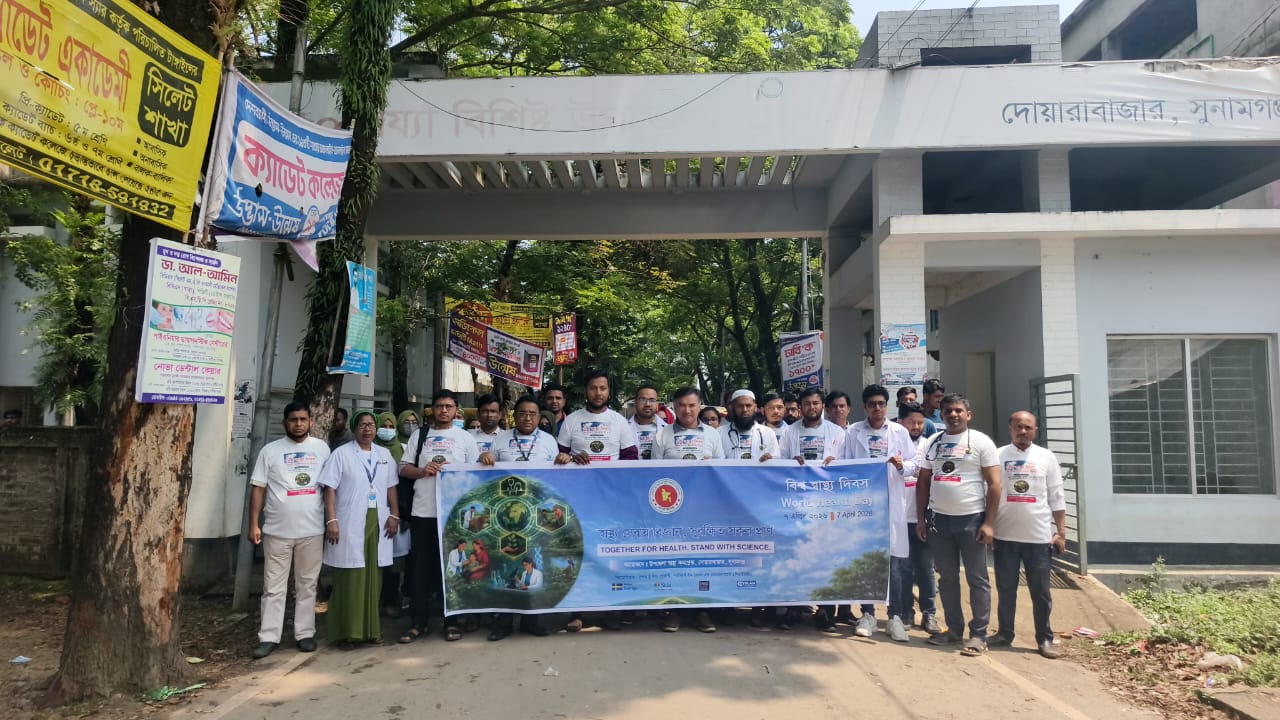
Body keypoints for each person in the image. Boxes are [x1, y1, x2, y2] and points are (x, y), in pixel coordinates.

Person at [916, 393, 1001, 656]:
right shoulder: (933, 442)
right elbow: (923, 482)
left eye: (958, 410)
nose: (953, 415)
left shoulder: (981, 442)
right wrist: (921, 519)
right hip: (939, 521)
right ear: (941, 415)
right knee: (948, 579)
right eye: (948, 411)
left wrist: (989, 523)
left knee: (977, 579)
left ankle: (978, 635)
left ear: (968, 414)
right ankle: (953, 631)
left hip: (971, 520)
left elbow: (995, 484)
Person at [247, 403, 332, 659]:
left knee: (307, 585)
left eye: (303, 419)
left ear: (311, 421)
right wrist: (253, 524)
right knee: (273, 587)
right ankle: (268, 637)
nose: (298, 424)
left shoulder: (322, 449)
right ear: (284, 423)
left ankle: (305, 634)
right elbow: (258, 488)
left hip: (312, 530)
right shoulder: (270, 451)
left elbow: (330, 487)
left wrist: (331, 520)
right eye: (293, 419)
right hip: (277, 531)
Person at [556, 370, 638, 632]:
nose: (598, 393)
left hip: (610, 500)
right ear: (586, 391)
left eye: (603, 388)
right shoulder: (571, 421)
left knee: (611, 553)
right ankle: (577, 612)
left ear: (608, 391)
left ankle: (611, 611)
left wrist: (613, 479)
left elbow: (631, 457)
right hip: (578, 498)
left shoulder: (619, 422)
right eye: (593, 388)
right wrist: (571, 459)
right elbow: (559, 456)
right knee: (580, 553)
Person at [398, 390, 481, 644]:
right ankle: (418, 623)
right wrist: (422, 471)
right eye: (439, 406)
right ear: (432, 410)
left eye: (448, 406)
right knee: (420, 570)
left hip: (454, 516)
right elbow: (403, 469)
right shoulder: (420, 435)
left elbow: (476, 475)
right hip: (423, 512)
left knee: (453, 569)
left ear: (457, 410)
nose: (443, 410)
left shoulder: (465, 438)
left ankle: (452, 622)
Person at [319, 409, 401, 649]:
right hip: (349, 521)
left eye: (371, 425)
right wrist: (331, 520)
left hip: (378, 520)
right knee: (350, 577)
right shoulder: (341, 454)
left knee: (373, 578)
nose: (368, 429)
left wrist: (394, 514)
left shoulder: (384, 454)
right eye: (362, 425)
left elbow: (391, 487)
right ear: (354, 428)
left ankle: (370, 631)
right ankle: (346, 633)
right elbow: (329, 488)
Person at [844, 385, 917, 642]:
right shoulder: (853, 432)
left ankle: (894, 616)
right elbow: (845, 464)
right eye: (872, 404)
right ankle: (868, 614)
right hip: (864, 505)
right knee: (867, 560)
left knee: (894, 564)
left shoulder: (899, 432)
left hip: (892, 504)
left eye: (881, 404)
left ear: (887, 406)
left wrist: (902, 465)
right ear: (865, 407)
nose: (877, 408)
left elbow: (915, 464)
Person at [991, 411, 1067, 659]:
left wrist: (1061, 532)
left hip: (1038, 538)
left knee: (1041, 592)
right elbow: (989, 492)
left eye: (1028, 428)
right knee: (1006, 589)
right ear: (1010, 428)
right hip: (1005, 536)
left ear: (1035, 430)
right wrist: (988, 526)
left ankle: (1044, 638)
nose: (1023, 432)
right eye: (1018, 427)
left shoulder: (1046, 457)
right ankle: (1004, 633)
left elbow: (1056, 496)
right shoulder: (998, 456)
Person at [653, 387, 725, 633]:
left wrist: (711, 466)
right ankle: (674, 610)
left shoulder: (713, 435)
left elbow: (722, 471)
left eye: (692, 405)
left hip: (703, 509)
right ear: (674, 407)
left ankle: (702, 611)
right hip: (672, 511)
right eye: (682, 405)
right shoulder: (661, 435)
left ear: (699, 406)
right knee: (675, 561)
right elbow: (652, 474)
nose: (687, 410)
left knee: (703, 561)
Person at [897, 402, 940, 635]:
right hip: (899, 517)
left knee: (925, 569)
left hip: (923, 516)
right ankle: (906, 612)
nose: (916, 426)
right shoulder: (893, 444)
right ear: (901, 422)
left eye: (920, 423)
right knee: (903, 569)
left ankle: (929, 613)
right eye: (911, 422)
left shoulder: (930, 445)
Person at [373, 412, 407, 619]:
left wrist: (400, 512)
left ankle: (390, 601)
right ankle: (372, 602)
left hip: (396, 510)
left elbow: (403, 483)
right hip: (370, 511)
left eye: (390, 426)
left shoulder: (402, 449)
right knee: (372, 559)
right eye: (383, 426)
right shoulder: (367, 449)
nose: (387, 430)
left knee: (394, 561)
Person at [780, 387, 845, 466]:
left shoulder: (838, 432)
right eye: (807, 404)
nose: (811, 407)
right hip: (797, 474)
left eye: (815, 403)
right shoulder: (787, 432)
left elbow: (846, 461)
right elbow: (781, 461)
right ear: (800, 407)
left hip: (829, 474)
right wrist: (791, 462)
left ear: (823, 405)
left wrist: (836, 462)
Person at [497, 396, 565, 463]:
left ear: (539, 417)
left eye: (532, 414)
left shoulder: (549, 440)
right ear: (514, 416)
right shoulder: (500, 438)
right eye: (522, 413)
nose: (527, 418)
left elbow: (555, 467)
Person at [720, 389, 780, 462]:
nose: (744, 410)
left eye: (748, 405)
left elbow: (777, 460)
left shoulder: (768, 433)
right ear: (733, 408)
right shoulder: (719, 433)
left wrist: (770, 459)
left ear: (755, 407)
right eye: (740, 406)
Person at [629, 384, 667, 460]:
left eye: (652, 400)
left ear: (657, 404)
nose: (647, 404)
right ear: (635, 403)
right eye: (642, 400)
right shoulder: (623, 428)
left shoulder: (667, 429)